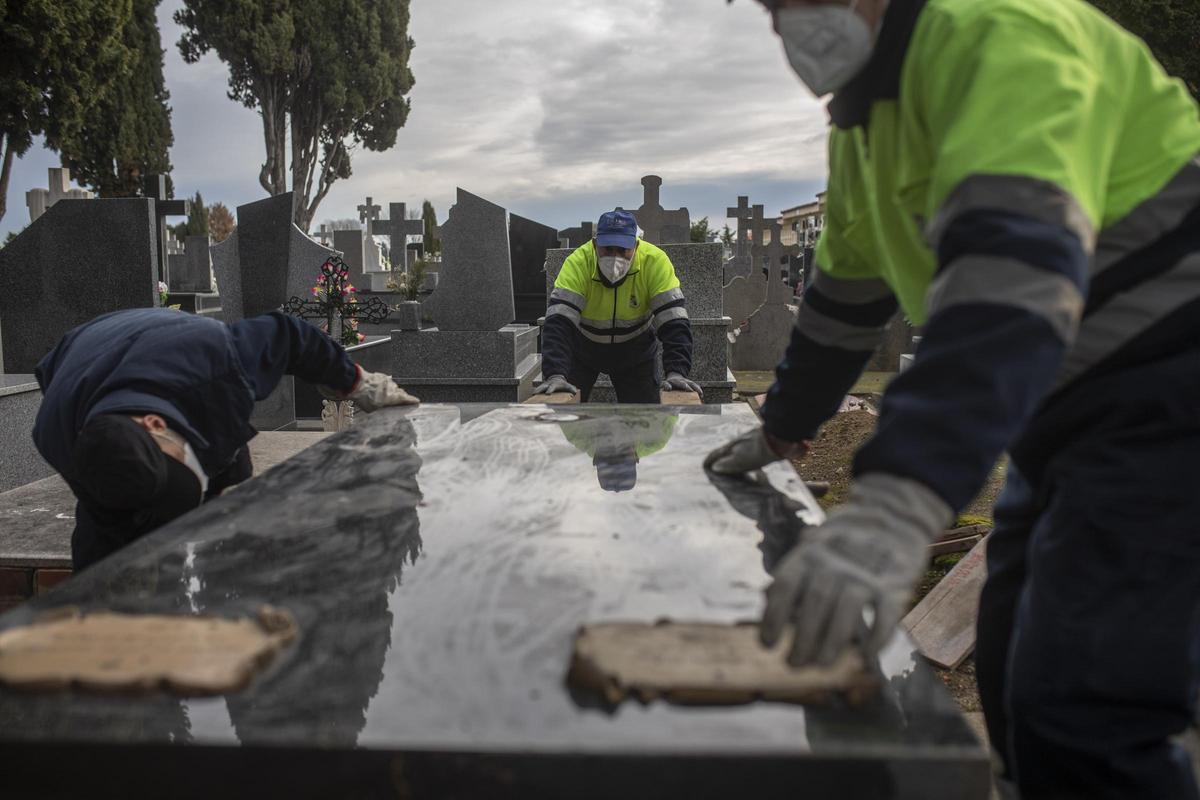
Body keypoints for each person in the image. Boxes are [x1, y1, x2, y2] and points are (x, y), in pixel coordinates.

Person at [706, 0, 1200, 797]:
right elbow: (843, 302)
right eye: (771, 7)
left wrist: (898, 500)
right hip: (1063, 408)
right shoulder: (865, 125)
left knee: (1090, 700)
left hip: (1170, 392)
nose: (786, 24)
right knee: (1010, 660)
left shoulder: (998, 33)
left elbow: (1010, 278)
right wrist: (783, 427)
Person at [34, 308, 419, 571]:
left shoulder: (217, 360)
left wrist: (357, 383)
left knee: (228, 474)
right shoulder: (56, 436)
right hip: (77, 360)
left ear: (155, 423)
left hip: (167, 344)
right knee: (109, 539)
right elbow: (110, 518)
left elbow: (290, 335)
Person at [535, 209, 703, 403]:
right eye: (608, 249)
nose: (615, 258)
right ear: (595, 244)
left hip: (635, 352)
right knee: (562, 414)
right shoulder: (578, 263)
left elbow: (673, 321)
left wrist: (677, 372)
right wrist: (555, 374)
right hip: (583, 349)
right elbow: (559, 321)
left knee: (644, 418)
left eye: (623, 250)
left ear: (636, 245)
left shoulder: (655, 261)